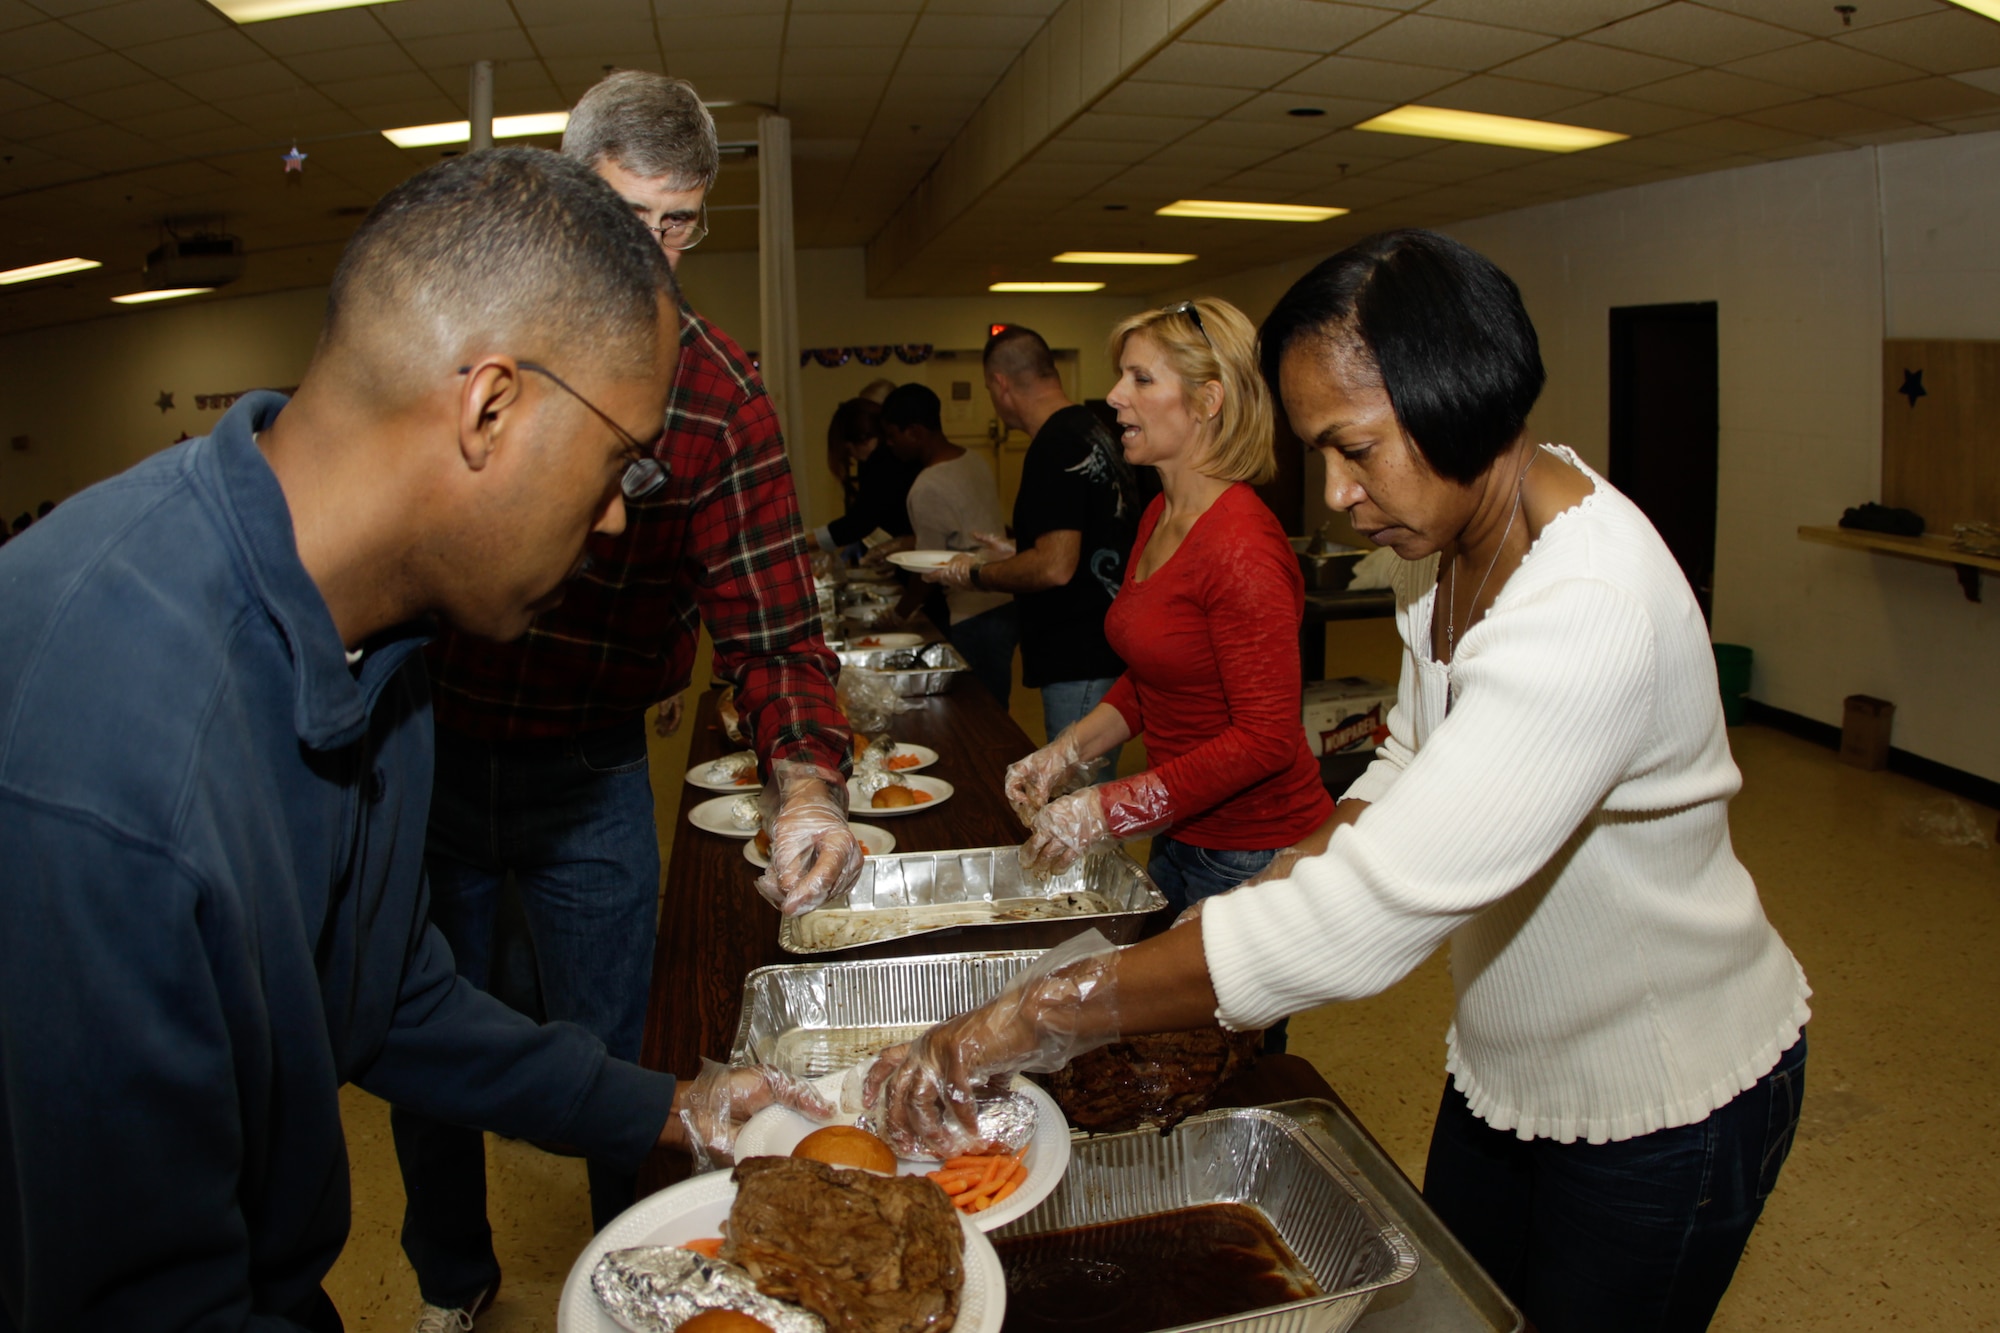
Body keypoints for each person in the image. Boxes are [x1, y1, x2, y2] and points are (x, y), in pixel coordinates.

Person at [870, 232, 1811, 1333]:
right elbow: (1411, 750)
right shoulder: (1448, 541)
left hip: (1658, 1091)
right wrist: (1287, 865)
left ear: (1456, 403)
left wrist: (1034, 1014)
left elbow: (1373, 914)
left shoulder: (1585, 604)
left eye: (1354, 448)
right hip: (1506, 1064)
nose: (1336, 491)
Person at [0, 148, 820, 1333]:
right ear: (490, 406)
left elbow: (379, 997)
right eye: (613, 463)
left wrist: (678, 1105)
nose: (611, 515)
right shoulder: (108, 772)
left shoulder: (381, 638)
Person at [399, 73, 860, 1329]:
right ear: (560, 194)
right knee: (421, 1039)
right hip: (426, 750)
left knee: (620, 1049)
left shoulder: (716, 392)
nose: (652, 252)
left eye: (680, 224)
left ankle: (626, 1277)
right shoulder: (452, 348)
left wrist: (806, 781)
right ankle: (453, 1280)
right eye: (624, 215)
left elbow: (769, 618)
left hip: (586, 764)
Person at [1001, 299, 1331, 926]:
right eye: (1122, 375)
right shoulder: (1160, 515)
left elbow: (1266, 739)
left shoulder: (1240, 546)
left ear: (1209, 401)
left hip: (1251, 851)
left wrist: (1108, 808)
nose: (1115, 395)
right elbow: (1159, 674)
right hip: (1182, 831)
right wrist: (1064, 752)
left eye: (1141, 379)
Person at [924, 326, 1140, 771]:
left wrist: (973, 573)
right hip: (1107, 644)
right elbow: (1089, 535)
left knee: (1074, 805)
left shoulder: (1052, 445)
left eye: (989, 389)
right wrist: (1015, 552)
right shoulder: (1091, 428)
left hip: (1079, 657)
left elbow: (1056, 567)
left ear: (1001, 385)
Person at [876, 382, 1019, 707]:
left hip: (973, 611)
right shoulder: (974, 459)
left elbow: (927, 571)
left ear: (914, 431)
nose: (890, 444)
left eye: (892, 434)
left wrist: (896, 617)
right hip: (1006, 602)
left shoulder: (927, 486)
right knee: (996, 705)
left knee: (979, 710)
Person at [814, 396, 919, 558]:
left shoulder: (880, 460)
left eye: (849, 452)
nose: (854, 459)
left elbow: (860, 521)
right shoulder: (897, 456)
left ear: (862, 440)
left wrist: (806, 541)